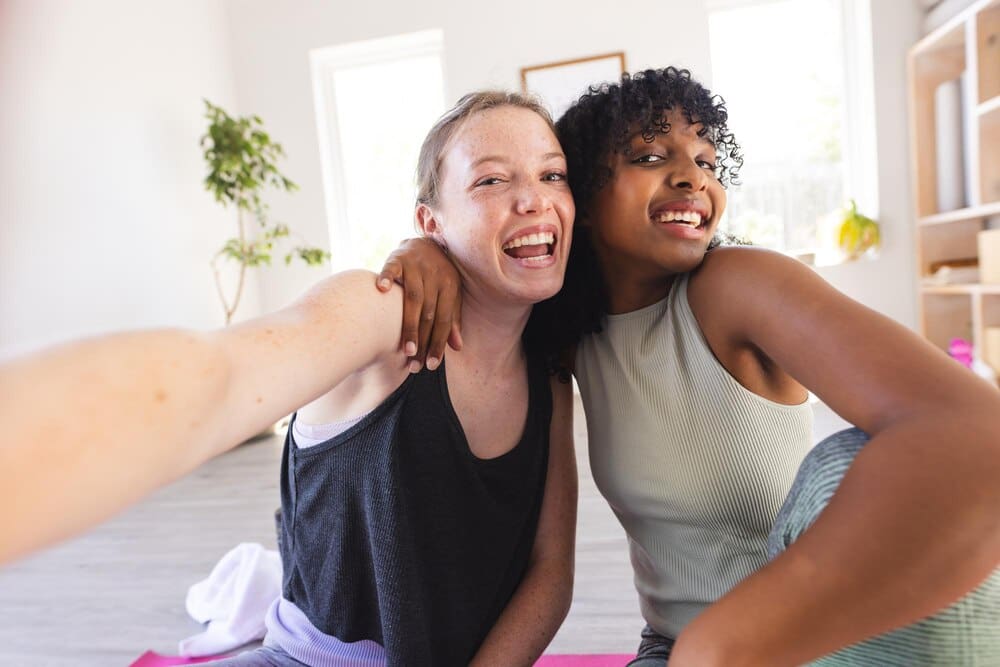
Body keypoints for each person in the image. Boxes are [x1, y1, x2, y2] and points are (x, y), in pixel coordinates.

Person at [376, 67, 1000, 666]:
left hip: (818, 634)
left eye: (706, 161)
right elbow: (484, 271)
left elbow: (978, 432)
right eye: (651, 157)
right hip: (675, 645)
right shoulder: (566, 334)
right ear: (581, 197)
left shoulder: (739, 283)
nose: (692, 178)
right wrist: (425, 249)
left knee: (844, 466)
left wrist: (722, 648)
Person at [0, 91, 578, 666]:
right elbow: (221, 380)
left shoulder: (549, 370)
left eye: (553, 175)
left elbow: (549, 572)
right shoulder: (381, 313)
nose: (533, 199)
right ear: (432, 222)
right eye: (491, 181)